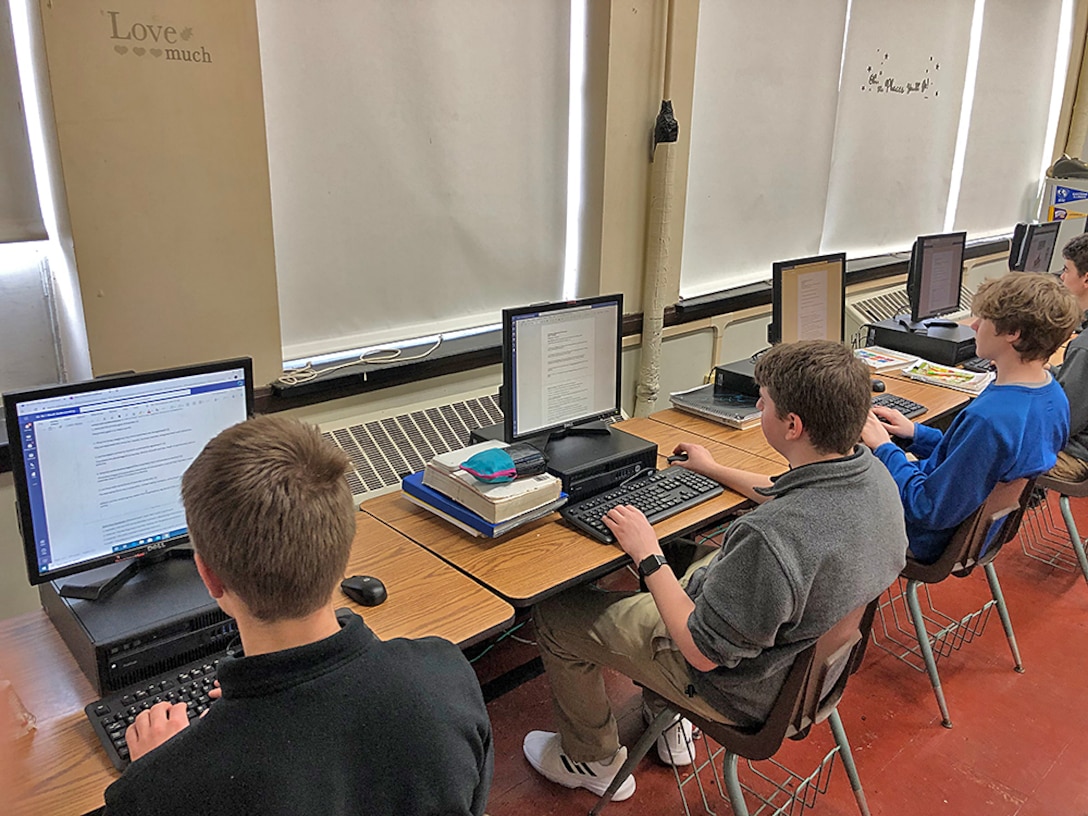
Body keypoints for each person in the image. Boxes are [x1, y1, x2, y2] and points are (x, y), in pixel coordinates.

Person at [522, 340, 907, 802]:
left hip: (734, 686)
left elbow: (702, 652)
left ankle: (591, 758)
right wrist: (712, 468)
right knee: (684, 550)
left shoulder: (771, 538)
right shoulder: (874, 476)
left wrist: (647, 555)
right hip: (802, 671)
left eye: (764, 402)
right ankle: (666, 721)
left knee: (557, 614)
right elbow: (785, 493)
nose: (758, 407)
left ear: (792, 425)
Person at [103, 415, 493, 816]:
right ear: (345, 551)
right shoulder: (446, 674)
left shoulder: (155, 791)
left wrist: (163, 765)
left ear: (209, 576)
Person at [861, 272, 1080, 563]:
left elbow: (927, 508)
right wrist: (916, 433)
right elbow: (975, 458)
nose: (974, 326)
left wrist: (884, 448)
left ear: (1012, 333)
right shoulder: (1052, 396)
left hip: (926, 538)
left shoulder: (990, 419)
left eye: (984, 319)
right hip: (976, 532)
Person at [1050, 234, 1088, 481]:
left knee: (987, 454)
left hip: (1076, 455)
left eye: (1066, 270)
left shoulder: (1084, 348)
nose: (1062, 278)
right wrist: (1048, 372)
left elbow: (1064, 423)